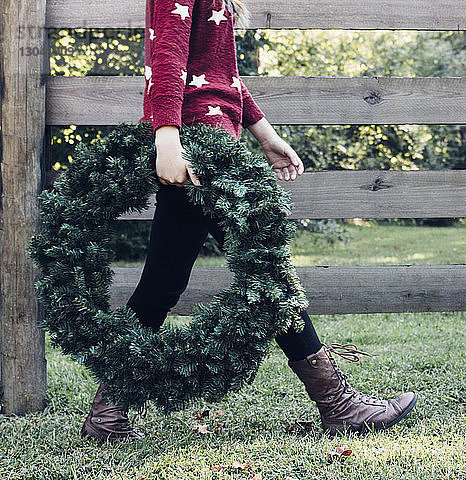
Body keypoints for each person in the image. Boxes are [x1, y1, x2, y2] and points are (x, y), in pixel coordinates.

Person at [80, 0, 417, 443]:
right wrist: (166, 138)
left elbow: (223, 77)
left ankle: (107, 415)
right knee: (267, 275)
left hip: (211, 141)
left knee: (162, 284)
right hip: (200, 148)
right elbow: (168, 59)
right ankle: (340, 406)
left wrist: (266, 134)